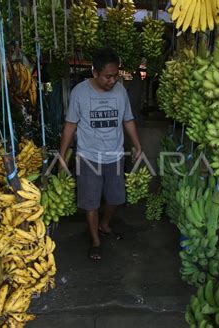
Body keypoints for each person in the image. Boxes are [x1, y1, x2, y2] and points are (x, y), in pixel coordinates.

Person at [59, 47, 142, 261]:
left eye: (116, 75)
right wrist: (62, 156)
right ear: (94, 73)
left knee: (116, 199)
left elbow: (128, 120)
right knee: (90, 203)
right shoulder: (79, 92)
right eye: (108, 76)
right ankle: (95, 240)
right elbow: (70, 126)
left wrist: (137, 145)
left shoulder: (121, 91)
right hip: (88, 156)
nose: (112, 81)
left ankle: (105, 225)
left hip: (114, 156)